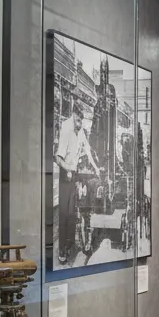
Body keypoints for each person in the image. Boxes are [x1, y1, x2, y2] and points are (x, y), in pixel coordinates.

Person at [54, 102, 100, 263]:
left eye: (81, 121)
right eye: (78, 120)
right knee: (65, 214)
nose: (80, 124)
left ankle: (70, 245)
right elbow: (57, 158)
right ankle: (62, 250)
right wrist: (67, 168)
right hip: (65, 174)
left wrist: (96, 168)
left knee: (73, 213)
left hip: (73, 174)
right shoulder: (66, 129)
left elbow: (87, 149)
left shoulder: (80, 130)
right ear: (73, 116)